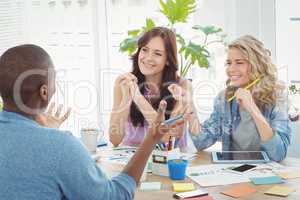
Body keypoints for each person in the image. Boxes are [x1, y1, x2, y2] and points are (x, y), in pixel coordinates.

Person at [0, 44, 176, 200]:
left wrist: (47, 135)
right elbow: (114, 196)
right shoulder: (60, 146)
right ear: (44, 92)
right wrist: (151, 139)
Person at [187, 35, 291, 161]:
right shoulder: (224, 99)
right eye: (229, 63)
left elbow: (278, 154)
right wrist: (189, 104)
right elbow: (201, 141)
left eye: (239, 63)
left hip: (266, 174)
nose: (231, 69)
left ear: (257, 65)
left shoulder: (277, 97)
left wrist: (253, 109)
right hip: (233, 173)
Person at [109, 27, 199, 149]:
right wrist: (127, 99)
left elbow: (167, 138)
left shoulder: (182, 87)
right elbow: (114, 140)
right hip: (132, 159)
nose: (148, 58)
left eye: (157, 53)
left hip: (169, 161)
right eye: (144, 50)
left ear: (168, 60)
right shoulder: (124, 82)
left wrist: (138, 98)